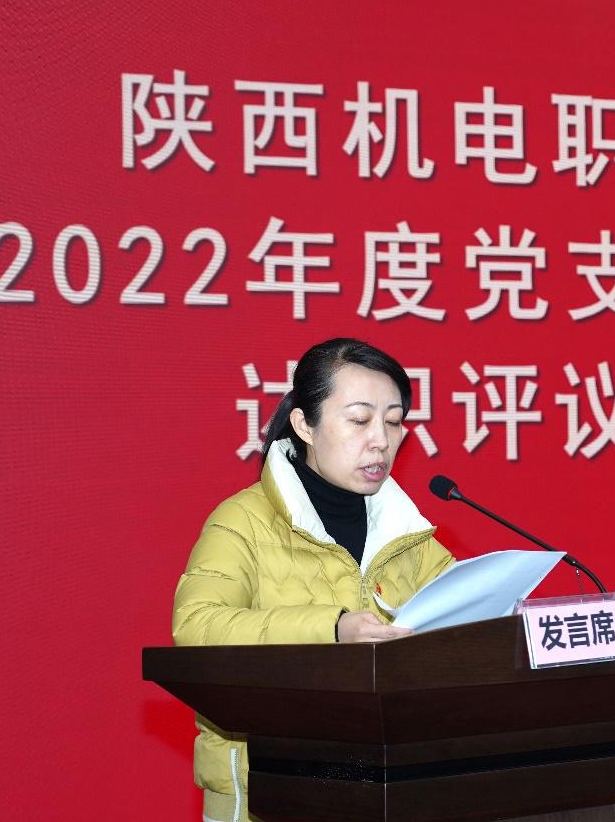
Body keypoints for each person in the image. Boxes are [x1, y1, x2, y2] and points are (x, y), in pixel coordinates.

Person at [172, 337, 454, 822]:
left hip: (387, 792)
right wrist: (332, 628)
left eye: (393, 422)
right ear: (305, 424)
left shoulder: (406, 534)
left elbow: (468, 622)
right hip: (269, 797)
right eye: (360, 420)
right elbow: (196, 627)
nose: (381, 440)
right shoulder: (242, 521)